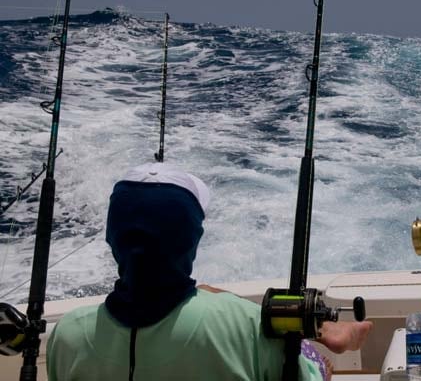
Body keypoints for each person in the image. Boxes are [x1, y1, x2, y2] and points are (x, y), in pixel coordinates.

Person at [46, 162, 373, 381]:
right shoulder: (247, 326)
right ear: (192, 239)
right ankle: (321, 335)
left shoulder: (67, 336)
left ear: (111, 238)